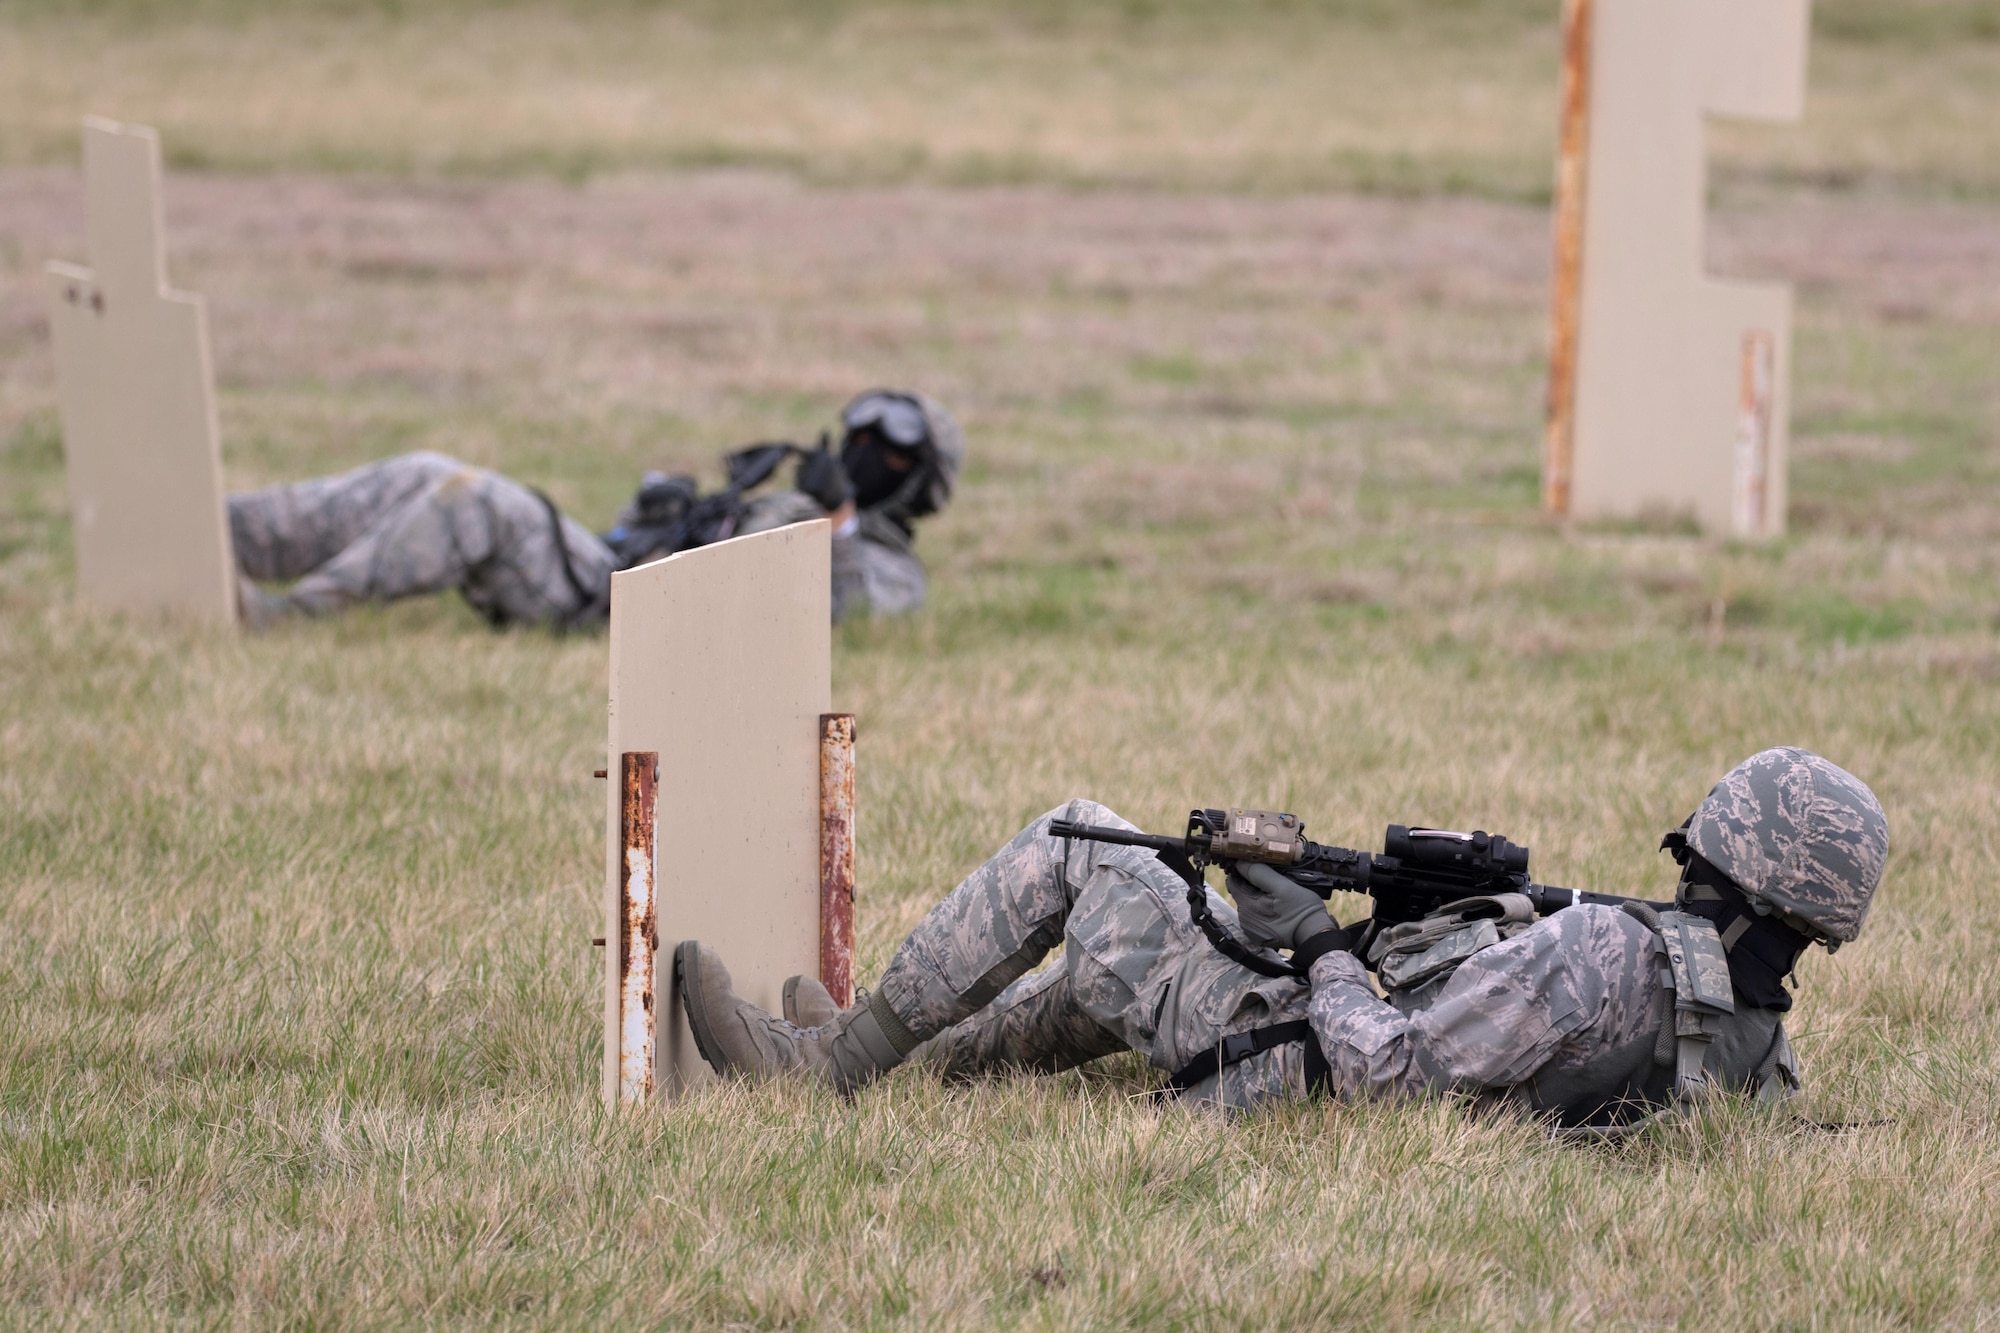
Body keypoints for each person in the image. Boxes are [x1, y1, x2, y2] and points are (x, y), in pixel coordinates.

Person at [676, 748, 1888, 1128]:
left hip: (1292, 1068)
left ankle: (827, 1068)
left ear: (1730, 856)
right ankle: (914, 1059)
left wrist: (1315, 943)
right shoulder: (1747, 1044)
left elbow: (1388, 1069)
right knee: (1138, 961)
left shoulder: (1606, 957)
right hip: (1315, 1053)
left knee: (1086, 840)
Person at [228, 389, 964, 629]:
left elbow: (847, 613)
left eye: (888, 453)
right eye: (859, 438)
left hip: (630, 619)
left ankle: (275, 617)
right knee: (428, 469)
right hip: (620, 572)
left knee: (481, 501)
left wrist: (836, 520)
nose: (866, 456)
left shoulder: (897, 574)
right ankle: (230, 534)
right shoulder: (796, 502)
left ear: (919, 483)